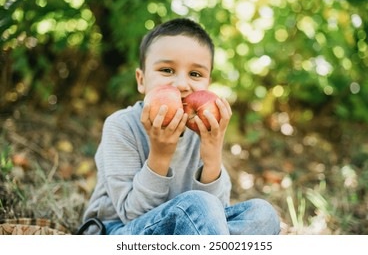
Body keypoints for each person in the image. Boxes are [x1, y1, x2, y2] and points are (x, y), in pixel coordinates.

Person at [81, 18, 280, 235]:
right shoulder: (122, 126)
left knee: (262, 215)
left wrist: (212, 154)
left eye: (195, 74)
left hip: (188, 231)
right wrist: (160, 154)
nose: (182, 84)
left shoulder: (202, 130)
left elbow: (216, 214)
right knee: (199, 204)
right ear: (141, 80)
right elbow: (132, 214)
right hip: (118, 232)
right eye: (167, 70)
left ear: (208, 84)